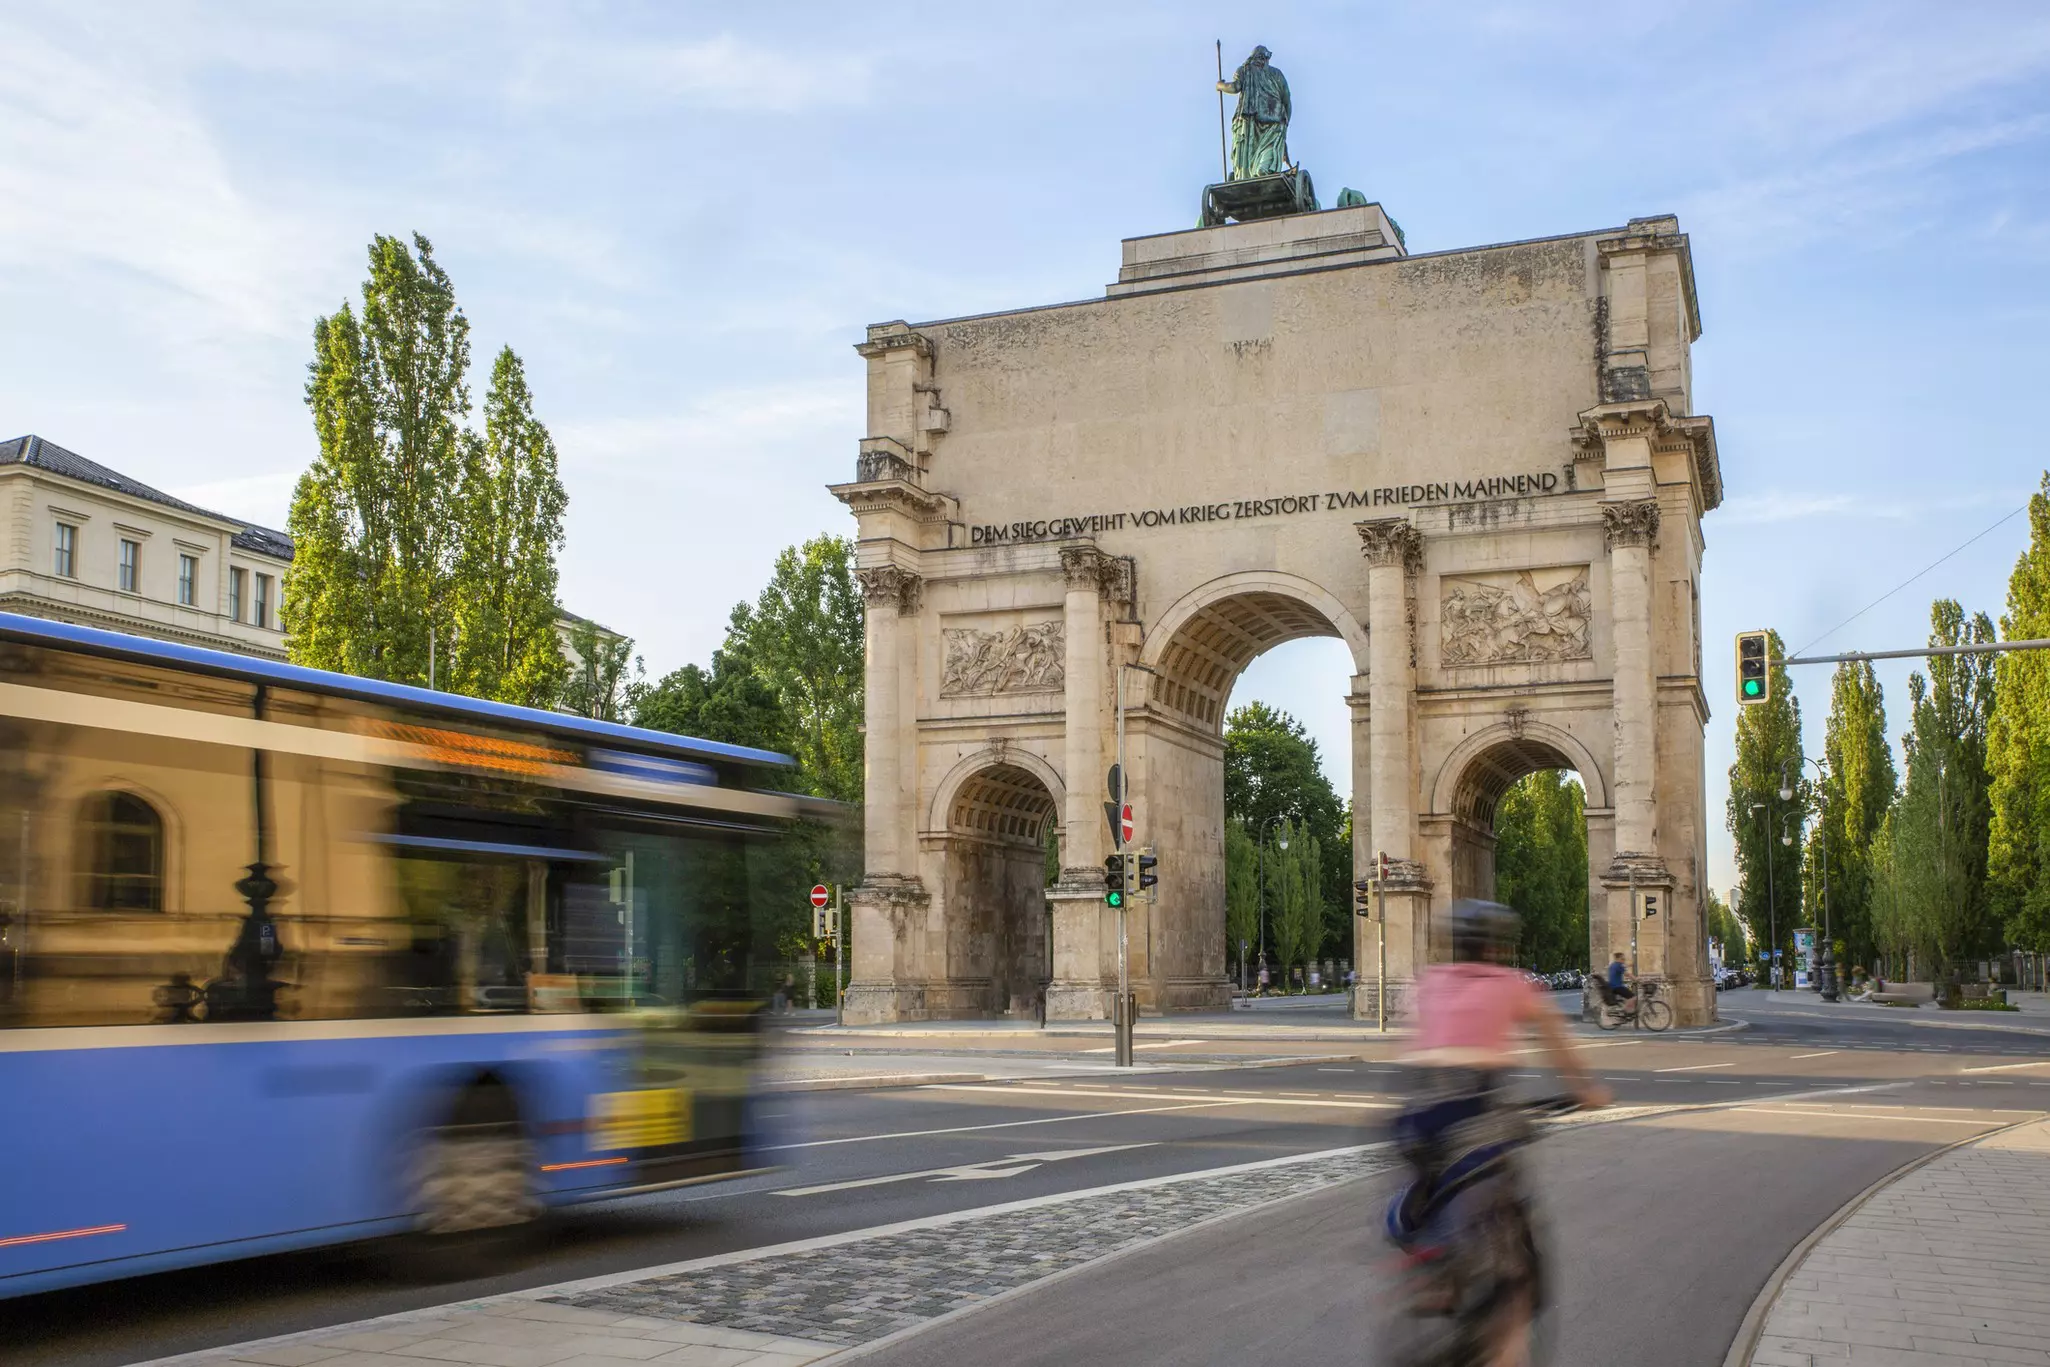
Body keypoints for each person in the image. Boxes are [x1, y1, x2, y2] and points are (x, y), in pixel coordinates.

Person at [1387, 900, 1608, 1364]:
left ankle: (1432, 1277)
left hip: (1413, 1122)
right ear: (1496, 947)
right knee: (1519, 1272)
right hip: (1474, 1120)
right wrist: (1585, 1089)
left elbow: (1418, 1040)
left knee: (1429, 1194)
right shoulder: (1513, 986)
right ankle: (1507, 1343)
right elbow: (1561, 1053)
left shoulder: (1428, 982)